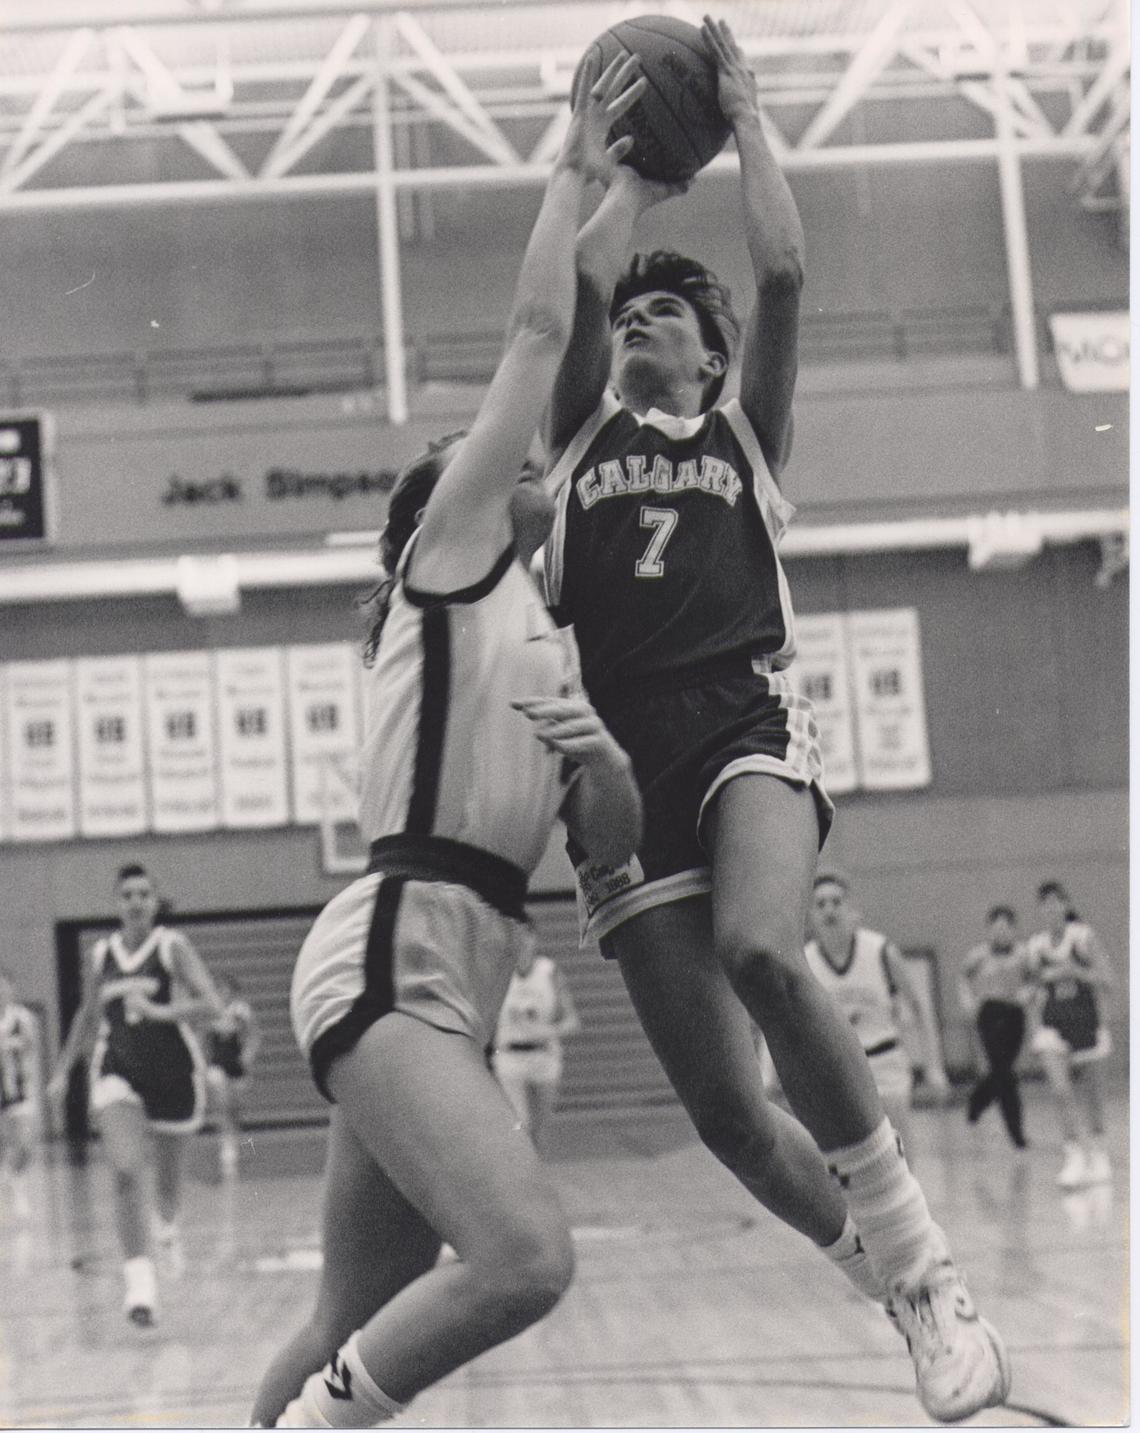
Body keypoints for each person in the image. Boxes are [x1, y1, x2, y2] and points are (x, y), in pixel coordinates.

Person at [540, 15, 1009, 1421]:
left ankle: (928, 1270)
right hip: (616, 773)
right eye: (631, 315)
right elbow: (572, 283)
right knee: (731, 1121)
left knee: (762, 944)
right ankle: (884, 1278)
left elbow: (789, 266)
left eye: (665, 315)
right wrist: (626, 176)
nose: (638, 323)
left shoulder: (746, 435)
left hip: (742, 723)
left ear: (712, 352)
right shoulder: (576, 443)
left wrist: (743, 123)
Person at [249, 56, 645, 1429]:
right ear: (440, 507)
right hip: (396, 934)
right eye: (473, 450)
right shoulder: (454, 554)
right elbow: (541, 335)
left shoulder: (540, 628)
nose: (513, 455)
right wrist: (577, 170)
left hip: (467, 957)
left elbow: (607, 850)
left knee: (342, 1317)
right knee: (527, 1257)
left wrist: (607, 762)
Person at [46, 863, 224, 1326]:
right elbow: (87, 1017)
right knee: (126, 1168)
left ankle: (166, 1227)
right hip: (117, 1071)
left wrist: (159, 1010)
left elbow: (212, 1005)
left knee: (166, 1190)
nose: (136, 901)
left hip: (175, 1077)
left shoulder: (171, 948)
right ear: (117, 902)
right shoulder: (101, 954)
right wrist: (63, 1071)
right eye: (127, 894)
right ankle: (140, 1286)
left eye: (144, 893)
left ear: (154, 901)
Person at [805, 874, 950, 1157]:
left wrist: (934, 1064)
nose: (829, 909)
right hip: (836, 1068)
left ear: (853, 911)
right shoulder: (805, 961)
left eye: (837, 902)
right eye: (820, 904)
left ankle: (908, 1201)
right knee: (845, 1156)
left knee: (897, 1149)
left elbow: (920, 1008)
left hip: (886, 1062)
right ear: (810, 916)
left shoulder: (881, 951)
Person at [1025, 880, 1115, 1188]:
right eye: (1044, 904)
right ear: (1040, 910)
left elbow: (1108, 980)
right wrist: (1032, 1013)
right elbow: (1032, 987)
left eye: (1055, 902)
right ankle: (1074, 1154)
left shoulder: (1083, 938)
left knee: (1093, 1097)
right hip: (1054, 1026)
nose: (1050, 909)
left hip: (1087, 1023)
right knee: (1061, 1091)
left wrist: (1076, 972)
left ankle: (1099, 1154)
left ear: (1065, 905)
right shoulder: (1036, 946)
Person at [492, 943, 580, 1155]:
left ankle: (537, 1172)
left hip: (544, 1055)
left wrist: (547, 1031)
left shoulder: (549, 972)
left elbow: (572, 1022)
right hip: (509, 1056)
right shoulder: (497, 973)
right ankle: (521, 1175)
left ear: (533, 939)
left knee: (541, 1126)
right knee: (520, 1123)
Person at [958, 905, 1034, 1149]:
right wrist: (968, 1001)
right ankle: (1016, 1132)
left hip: (1014, 1014)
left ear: (1013, 929)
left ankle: (977, 1101)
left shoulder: (1024, 954)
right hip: (989, 1013)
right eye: (996, 928)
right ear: (989, 930)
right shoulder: (978, 955)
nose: (1000, 933)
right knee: (1004, 1072)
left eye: (1005, 928)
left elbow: (1035, 980)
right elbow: (962, 978)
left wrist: (1027, 993)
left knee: (1004, 1069)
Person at [205, 973, 261, 1177]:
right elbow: (203, 1037)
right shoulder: (211, 1010)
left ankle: (234, 1142)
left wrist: (247, 1055)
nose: (223, 992)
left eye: (226, 988)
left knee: (235, 1108)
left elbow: (254, 1035)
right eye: (219, 989)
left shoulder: (241, 1010)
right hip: (217, 1064)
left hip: (236, 1063)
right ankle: (225, 1144)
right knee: (222, 1102)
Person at [0, 968, 42, 1219]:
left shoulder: (22, 1017)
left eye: (5, 987)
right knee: (6, 1143)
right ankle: (14, 1189)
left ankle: (12, 1180)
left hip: (19, 1089)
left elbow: (30, 1043)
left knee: (25, 1143)